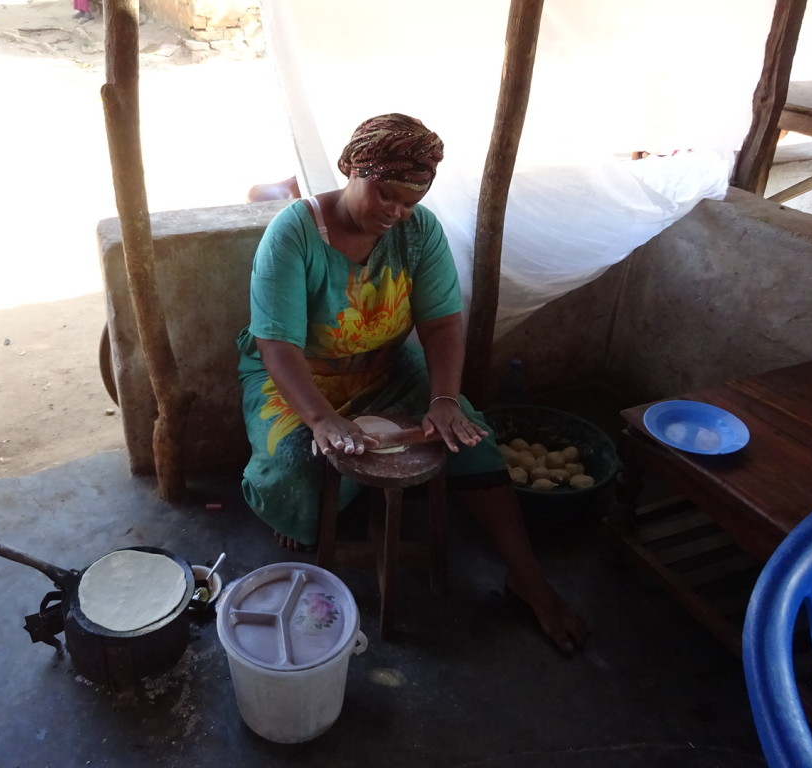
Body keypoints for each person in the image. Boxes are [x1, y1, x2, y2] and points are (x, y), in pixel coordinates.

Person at [237, 113, 587, 653]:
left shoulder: (418, 234)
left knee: (467, 433)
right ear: (354, 168)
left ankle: (528, 577)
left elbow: (442, 322)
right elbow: (276, 344)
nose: (395, 213)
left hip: (385, 365)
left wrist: (445, 398)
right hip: (301, 376)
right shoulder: (295, 233)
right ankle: (296, 510)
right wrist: (322, 418)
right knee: (296, 470)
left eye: (410, 201)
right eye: (385, 194)